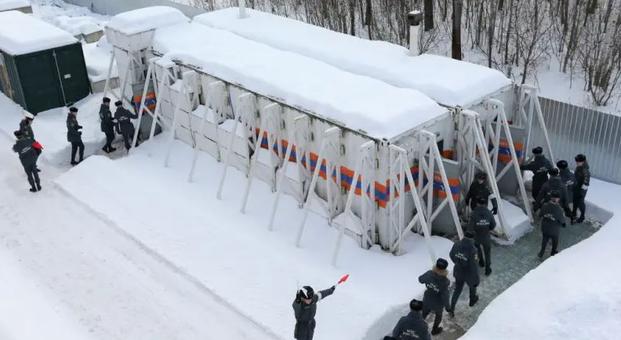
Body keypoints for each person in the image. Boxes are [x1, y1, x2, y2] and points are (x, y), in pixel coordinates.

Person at [449, 231, 480, 316]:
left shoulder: (456, 244)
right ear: (473, 238)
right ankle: (472, 300)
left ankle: (452, 308)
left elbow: (451, 255)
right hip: (469, 273)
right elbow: (474, 266)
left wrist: (457, 263)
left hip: (458, 271)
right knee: (472, 286)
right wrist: (476, 279)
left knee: (457, 290)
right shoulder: (473, 250)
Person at [418, 258, 450, 335]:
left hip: (427, 299)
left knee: (424, 313)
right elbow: (445, 296)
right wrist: (448, 307)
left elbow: (420, 279)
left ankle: (418, 327)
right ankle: (435, 329)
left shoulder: (429, 274)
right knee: (438, 315)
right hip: (438, 304)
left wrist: (429, 281)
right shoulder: (445, 282)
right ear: (445, 269)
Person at [470, 196, 496, 276]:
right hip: (486, 236)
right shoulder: (488, 212)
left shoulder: (474, 213)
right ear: (485, 203)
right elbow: (493, 225)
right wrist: (488, 228)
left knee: (477, 249)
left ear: (477, 203)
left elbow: (470, 227)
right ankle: (488, 269)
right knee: (487, 253)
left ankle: (481, 262)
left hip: (477, 236)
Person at [538, 191, 566, 258]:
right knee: (555, 241)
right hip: (554, 230)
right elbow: (562, 220)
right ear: (558, 199)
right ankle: (553, 253)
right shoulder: (559, 209)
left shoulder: (544, 205)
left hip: (545, 227)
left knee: (544, 239)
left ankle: (541, 252)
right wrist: (563, 224)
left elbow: (540, 214)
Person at [572, 154, 590, 224]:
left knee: (580, 202)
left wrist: (582, 192)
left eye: (578, 161)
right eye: (576, 161)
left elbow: (586, 182)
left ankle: (582, 216)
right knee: (575, 201)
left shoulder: (585, 170)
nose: (576, 162)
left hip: (581, 189)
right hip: (576, 187)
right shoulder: (578, 167)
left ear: (582, 161)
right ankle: (574, 213)